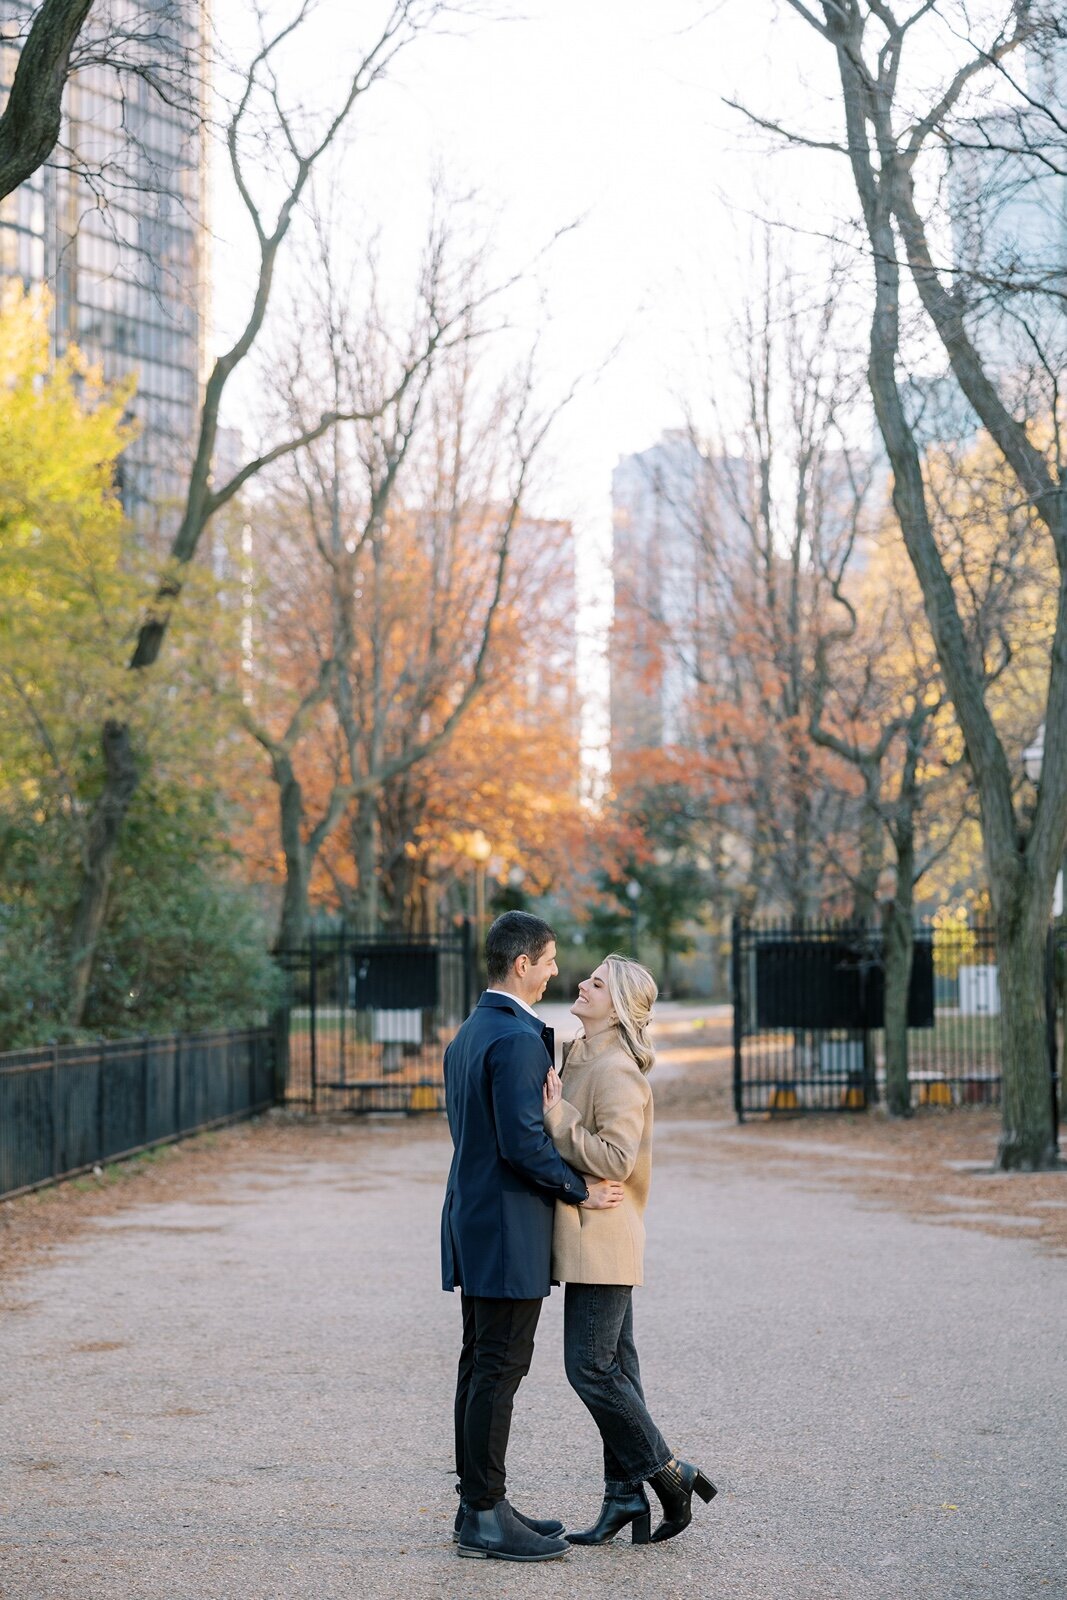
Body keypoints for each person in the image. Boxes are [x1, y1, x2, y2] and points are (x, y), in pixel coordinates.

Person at [441, 911, 625, 1563]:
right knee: (497, 1366)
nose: (555, 971)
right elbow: (521, 1142)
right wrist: (579, 1190)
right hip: (508, 1225)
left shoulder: (470, 1031)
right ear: (521, 963)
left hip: (475, 1217)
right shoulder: (519, 1037)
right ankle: (484, 1517)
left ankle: (478, 1502)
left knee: (480, 1362)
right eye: (548, 960)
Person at [542, 953, 717, 1546]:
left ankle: (669, 1472)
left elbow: (617, 1158)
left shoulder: (617, 1069)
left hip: (607, 1238)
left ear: (616, 1007)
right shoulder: (579, 1053)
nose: (581, 984)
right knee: (619, 1367)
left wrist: (555, 1114)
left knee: (589, 1368)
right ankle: (624, 1497)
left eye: (595, 982)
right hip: (591, 1237)